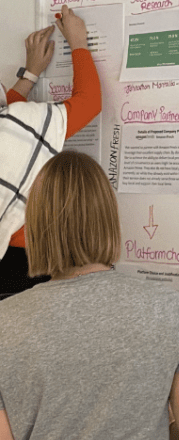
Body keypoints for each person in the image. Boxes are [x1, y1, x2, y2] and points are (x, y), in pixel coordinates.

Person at [0, 151, 179, 440]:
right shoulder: (171, 310)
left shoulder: (4, 322)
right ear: (108, 218)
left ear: (36, 225)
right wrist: (167, 419)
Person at [0, 5, 101, 300]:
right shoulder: (11, 127)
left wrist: (30, 75)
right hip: (27, 261)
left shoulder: (9, 125)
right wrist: (78, 43)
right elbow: (89, 102)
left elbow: (11, 125)